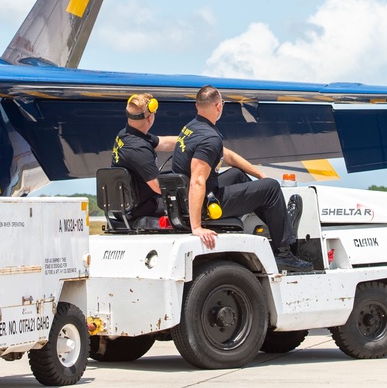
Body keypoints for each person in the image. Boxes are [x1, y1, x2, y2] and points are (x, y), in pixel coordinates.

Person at [171, 85, 313, 273]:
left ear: (197, 106)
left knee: (238, 175)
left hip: (188, 197)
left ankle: (279, 223)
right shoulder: (209, 139)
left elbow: (227, 156)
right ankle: (284, 254)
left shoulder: (192, 127)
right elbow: (197, 181)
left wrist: (260, 175)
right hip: (207, 203)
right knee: (270, 188)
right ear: (218, 106)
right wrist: (196, 227)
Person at [111, 93, 177, 218]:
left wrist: (189, 140)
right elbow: (158, 187)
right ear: (149, 118)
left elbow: (165, 143)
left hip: (126, 207)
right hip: (143, 207)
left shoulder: (125, 135)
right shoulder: (138, 149)